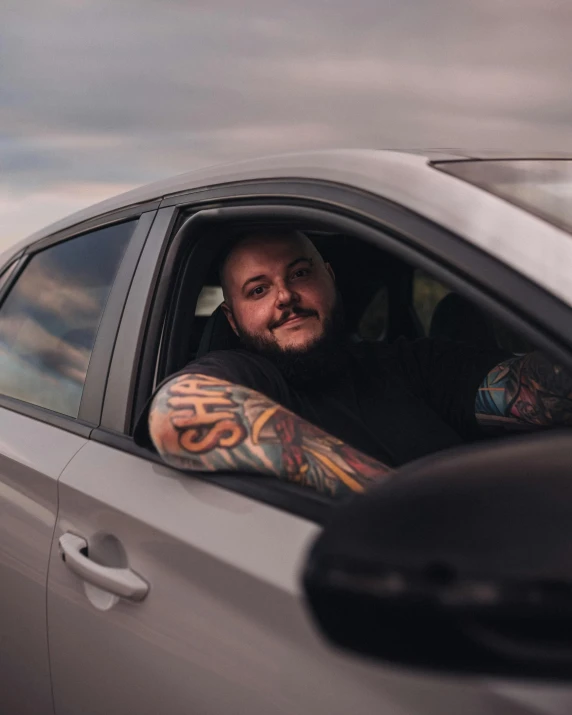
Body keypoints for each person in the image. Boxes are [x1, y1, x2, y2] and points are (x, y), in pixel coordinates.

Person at [136, 230, 572, 498]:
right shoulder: (247, 375)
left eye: (300, 273)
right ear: (232, 319)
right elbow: (179, 410)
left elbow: (540, 390)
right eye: (257, 290)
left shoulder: (409, 362)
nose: (285, 296)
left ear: (330, 277)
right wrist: (398, 505)